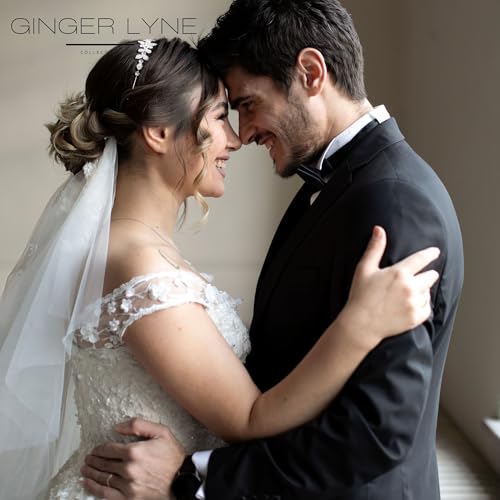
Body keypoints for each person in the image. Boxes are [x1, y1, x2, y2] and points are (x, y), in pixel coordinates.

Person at [0, 37, 437, 500]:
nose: (236, 138)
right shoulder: (137, 263)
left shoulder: (136, 249)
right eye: (218, 116)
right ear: (158, 132)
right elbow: (249, 417)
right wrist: (359, 326)